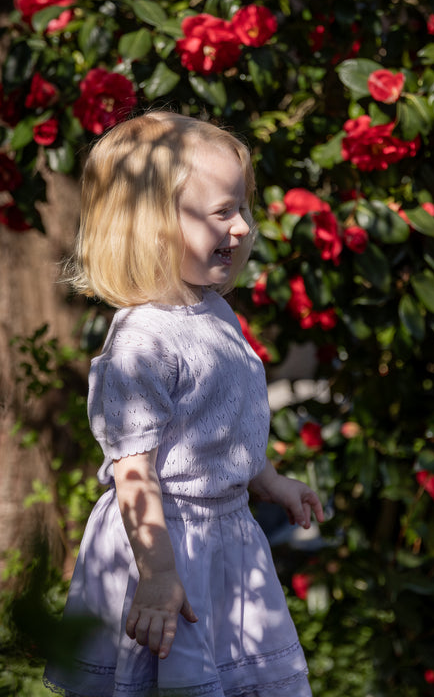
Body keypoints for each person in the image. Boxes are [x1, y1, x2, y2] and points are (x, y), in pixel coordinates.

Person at [43, 111, 324, 697]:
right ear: (151, 227)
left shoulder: (212, 311)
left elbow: (221, 422)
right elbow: (133, 469)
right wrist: (158, 573)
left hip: (225, 537)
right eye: (223, 212)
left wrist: (267, 479)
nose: (243, 227)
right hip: (169, 546)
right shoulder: (142, 341)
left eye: (242, 208)